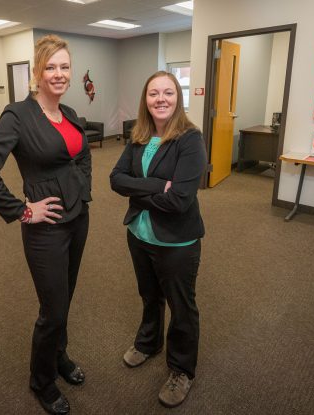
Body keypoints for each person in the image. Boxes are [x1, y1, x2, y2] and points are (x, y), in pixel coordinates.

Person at [0, 34, 91, 415]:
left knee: (65, 297)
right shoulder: (18, 115)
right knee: (52, 308)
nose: (59, 74)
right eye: (51, 67)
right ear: (37, 73)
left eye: (65, 66)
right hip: (45, 227)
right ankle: (42, 381)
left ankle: (59, 356)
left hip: (77, 218)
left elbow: (81, 157)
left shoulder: (69, 114)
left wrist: (82, 189)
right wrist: (23, 210)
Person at [110, 71, 207, 409]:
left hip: (177, 243)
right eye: (154, 93)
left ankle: (182, 369)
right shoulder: (138, 136)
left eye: (168, 92)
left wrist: (136, 193)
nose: (160, 99)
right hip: (139, 233)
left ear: (177, 98)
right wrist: (155, 187)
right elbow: (115, 179)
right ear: (145, 99)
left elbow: (180, 200)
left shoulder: (190, 139)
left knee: (182, 307)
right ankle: (149, 343)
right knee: (150, 295)